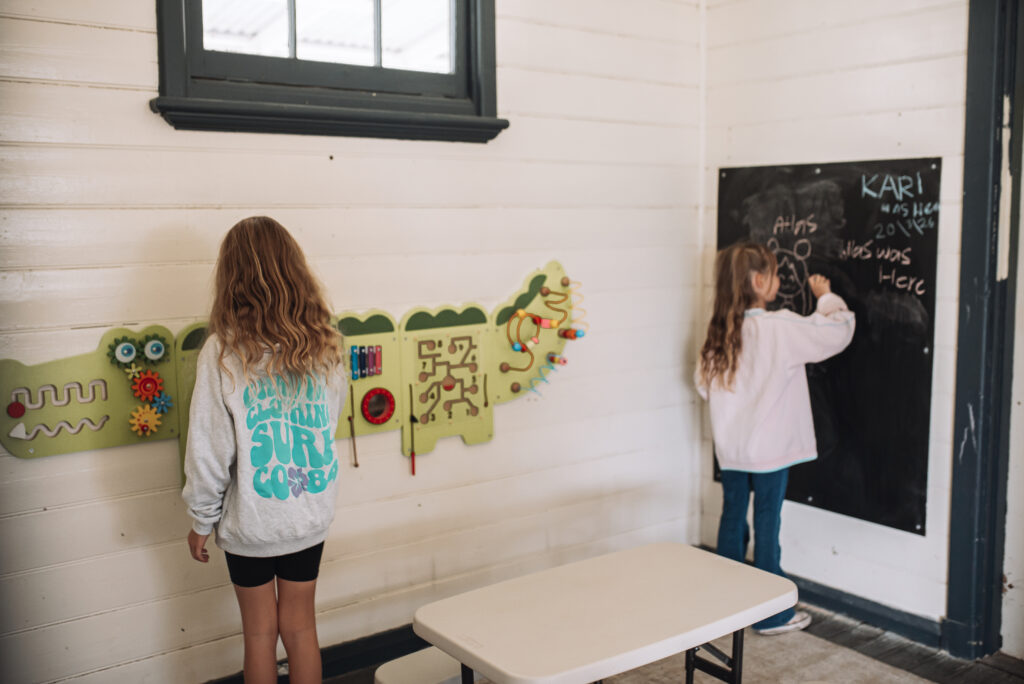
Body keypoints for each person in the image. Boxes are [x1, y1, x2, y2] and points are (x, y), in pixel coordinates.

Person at [183, 216, 346, 683]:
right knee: (301, 628)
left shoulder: (222, 352)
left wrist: (201, 519)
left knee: (258, 636)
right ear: (295, 271)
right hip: (308, 514)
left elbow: (209, 451)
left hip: (251, 522)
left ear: (231, 277)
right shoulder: (325, 345)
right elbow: (324, 432)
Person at [696, 241, 855, 635]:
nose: (781, 281)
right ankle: (771, 614)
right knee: (768, 522)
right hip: (770, 452)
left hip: (731, 450)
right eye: (777, 274)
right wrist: (826, 297)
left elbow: (702, 385)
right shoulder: (778, 326)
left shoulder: (718, 334)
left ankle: (725, 605)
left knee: (732, 515)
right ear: (759, 281)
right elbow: (836, 332)